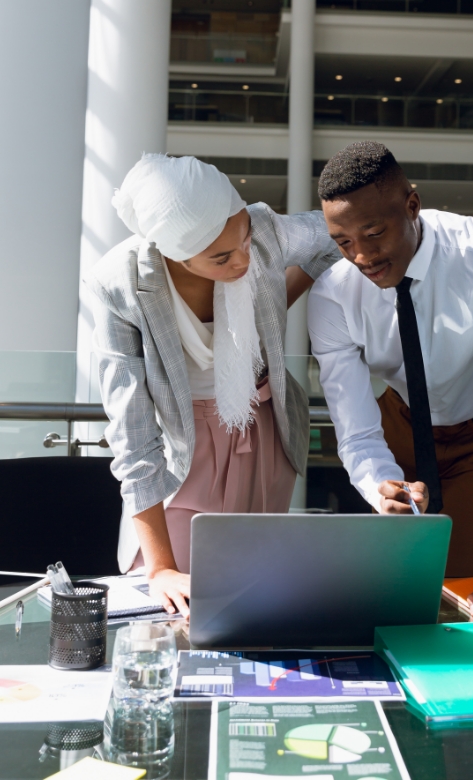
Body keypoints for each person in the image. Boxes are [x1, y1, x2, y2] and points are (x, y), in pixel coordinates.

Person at [307, 141, 473, 619]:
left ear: (412, 205)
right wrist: (378, 485)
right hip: (398, 429)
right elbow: (356, 431)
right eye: (343, 242)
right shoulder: (333, 295)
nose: (362, 256)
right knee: (394, 601)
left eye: (374, 233)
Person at [88, 153, 340, 618]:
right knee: (175, 610)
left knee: (257, 600)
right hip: (181, 451)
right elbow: (133, 431)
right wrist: (160, 569)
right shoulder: (119, 283)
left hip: (264, 429)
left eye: (243, 240)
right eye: (221, 257)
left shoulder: (263, 231)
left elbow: (338, 234)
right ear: (172, 253)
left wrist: (265, 313)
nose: (244, 259)